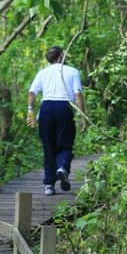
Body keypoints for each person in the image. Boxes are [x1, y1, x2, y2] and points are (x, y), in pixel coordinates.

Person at [27, 46, 85, 196]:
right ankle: (62, 168)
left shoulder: (42, 73)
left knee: (48, 147)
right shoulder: (72, 71)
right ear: (61, 56)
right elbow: (78, 94)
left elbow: (32, 92)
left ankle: (49, 185)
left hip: (46, 108)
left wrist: (30, 111)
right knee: (65, 144)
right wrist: (81, 115)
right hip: (64, 107)